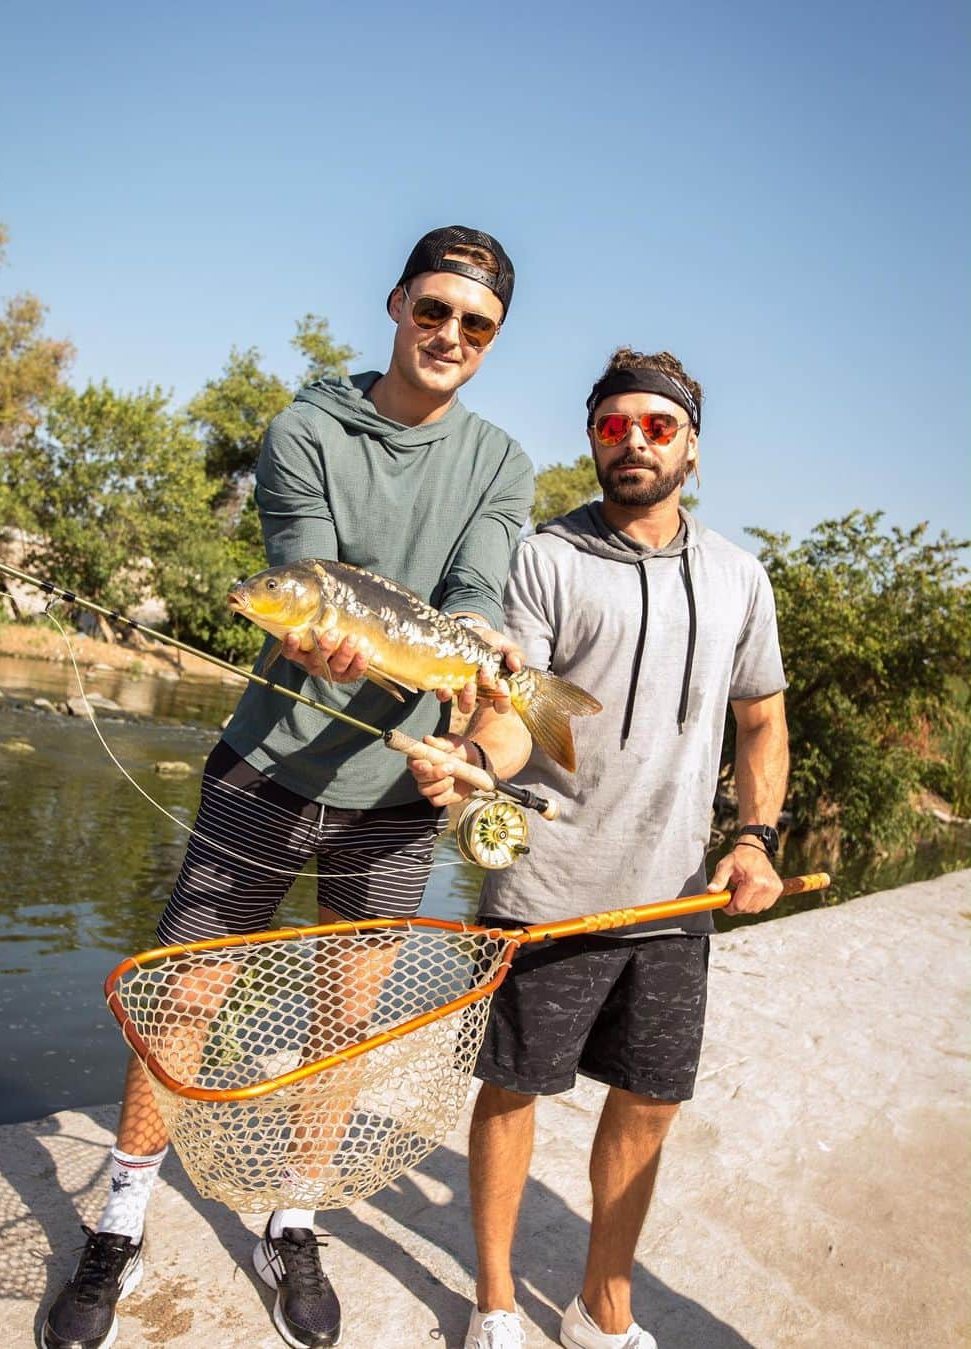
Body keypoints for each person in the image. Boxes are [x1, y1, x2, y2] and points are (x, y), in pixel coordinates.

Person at [41, 226, 534, 1349]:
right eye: (435, 309)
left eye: (477, 323)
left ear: (493, 338)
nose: (450, 334)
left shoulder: (501, 462)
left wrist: (482, 661)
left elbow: (475, 593)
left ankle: (292, 1216)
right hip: (267, 765)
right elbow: (299, 573)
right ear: (399, 302)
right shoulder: (306, 425)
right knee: (187, 994)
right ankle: (121, 1217)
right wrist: (327, 643)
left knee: (343, 1017)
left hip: (399, 795)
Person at [410, 347, 789, 1349]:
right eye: (612, 426)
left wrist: (753, 837)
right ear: (593, 438)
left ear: (691, 446)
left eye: (655, 426)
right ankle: (494, 1300)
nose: (632, 443)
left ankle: (599, 1306)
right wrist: (475, 764)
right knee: (515, 1087)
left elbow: (760, 722)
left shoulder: (741, 576)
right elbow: (516, 712)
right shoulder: (545, 558)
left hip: (673, 896)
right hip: (546, 883)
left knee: (652, 1098)